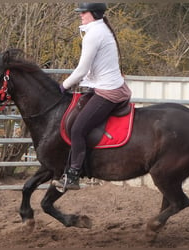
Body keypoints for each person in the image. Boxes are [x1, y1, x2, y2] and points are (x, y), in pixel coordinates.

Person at [54, 3, 132, 191]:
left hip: (108, 90)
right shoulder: (99, 30)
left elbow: (81, 70)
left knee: (78, 129)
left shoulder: (95, 34)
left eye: (84, 12)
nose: (80, 15)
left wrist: (62, 87)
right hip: (102, 86)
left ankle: (73, 176)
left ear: (94, 14)